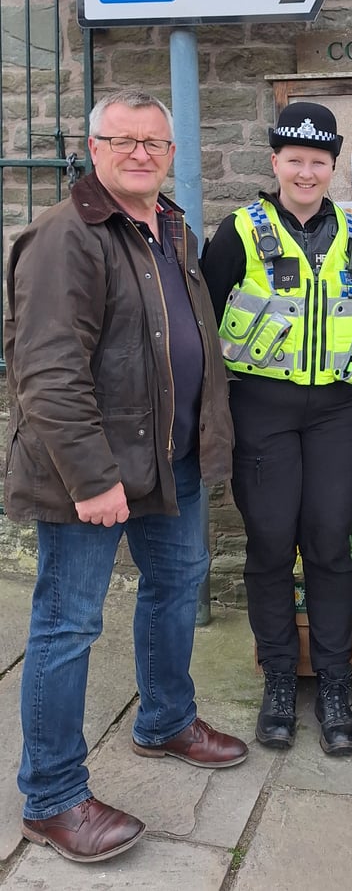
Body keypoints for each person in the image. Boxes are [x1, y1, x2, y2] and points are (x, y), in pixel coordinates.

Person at [4, 90, 248, 864]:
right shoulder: (64, 235)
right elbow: (46, 372)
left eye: (155, 142)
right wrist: (90, 477)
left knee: (176, 588)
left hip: (169, 464)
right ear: (93, 145)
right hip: (95, 476)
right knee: (67, 624)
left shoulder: (168, 226)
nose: (141, 152)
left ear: (171, 153)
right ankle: (51, 796)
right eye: (124, 140)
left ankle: (166, 720)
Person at [201, 102, 352, 757]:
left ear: (333, 167)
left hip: (337, 409)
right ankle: (281, 678)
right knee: (272, 542)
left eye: (319, 162)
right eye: (294, 160)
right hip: (264, 407)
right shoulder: (238, 233)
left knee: (330, 541)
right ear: (275, 161)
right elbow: (204, 323)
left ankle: (335, 682)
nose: (306, 172)